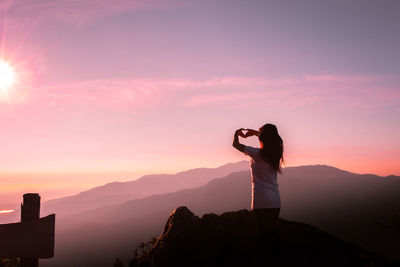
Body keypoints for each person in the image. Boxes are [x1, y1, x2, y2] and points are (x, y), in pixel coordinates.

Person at [232, 123, 284, 252]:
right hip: (275, 200)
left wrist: (237, 133)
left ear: (263, 138)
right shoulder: (277, 153)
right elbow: (272, 140)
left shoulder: (256, 153)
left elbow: (236, 145)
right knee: (274, 234)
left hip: (260, 199)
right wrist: (256, 133)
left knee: (262, 236)